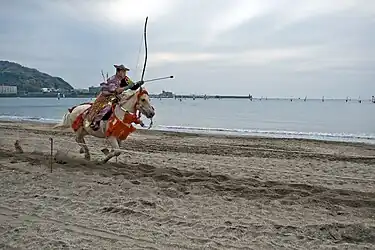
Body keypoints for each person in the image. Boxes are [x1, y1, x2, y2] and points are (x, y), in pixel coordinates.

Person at [87, 64, 143, 131]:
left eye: (125, 72)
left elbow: (133, 86)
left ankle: (130, 121)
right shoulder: (112, 79)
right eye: (123, 72)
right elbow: (115, 90)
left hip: (117, 97)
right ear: (118, 72)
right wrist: (128, 87)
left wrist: (138, 84)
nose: (124, 73)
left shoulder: (126, 79)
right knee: (107, 108)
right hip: (106, 97)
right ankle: (96, 122)